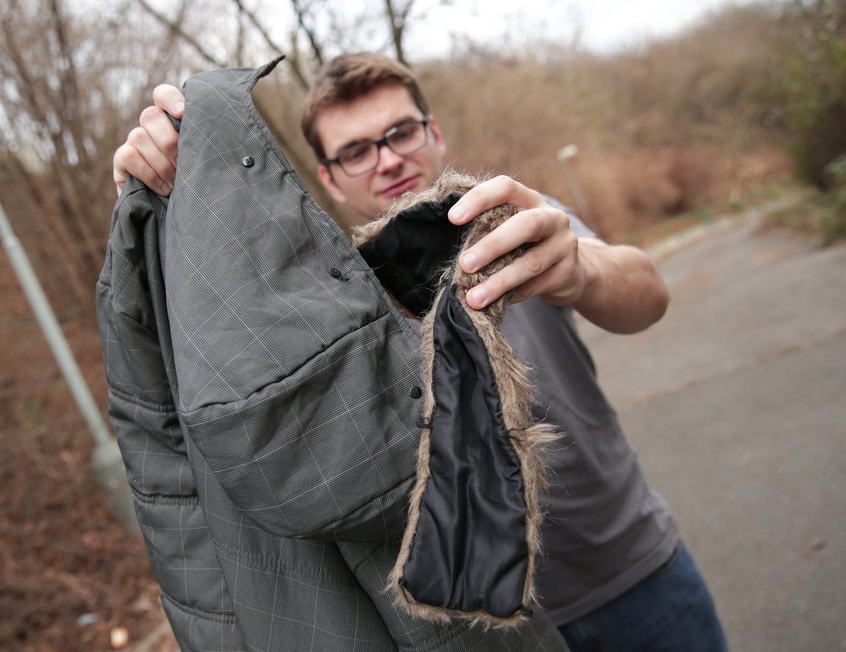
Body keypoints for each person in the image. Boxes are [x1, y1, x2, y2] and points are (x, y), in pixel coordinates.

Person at [110, 53, 728, 651]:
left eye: (400, 132)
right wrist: (173, 193)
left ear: (433, 132)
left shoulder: (511, 219)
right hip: (476, 630)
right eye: (355, 150)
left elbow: (648, 294)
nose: (387, 159)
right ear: (328, 177)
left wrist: (580, 270)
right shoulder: (315, 309)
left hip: (636, 575)